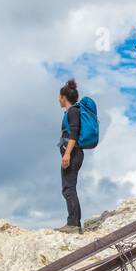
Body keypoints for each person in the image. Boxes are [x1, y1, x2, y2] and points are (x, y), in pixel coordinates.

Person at [57, 78, 84, 233]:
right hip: (73, 153)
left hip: (73, 154)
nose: (58, 99)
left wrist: (67, 154)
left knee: (68, 189)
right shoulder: (72, 111)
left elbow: (74, 133)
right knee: (69, 188)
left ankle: (73, 224)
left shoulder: (73, 111)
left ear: (64, 97)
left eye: (59, 96)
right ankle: (76, 224)